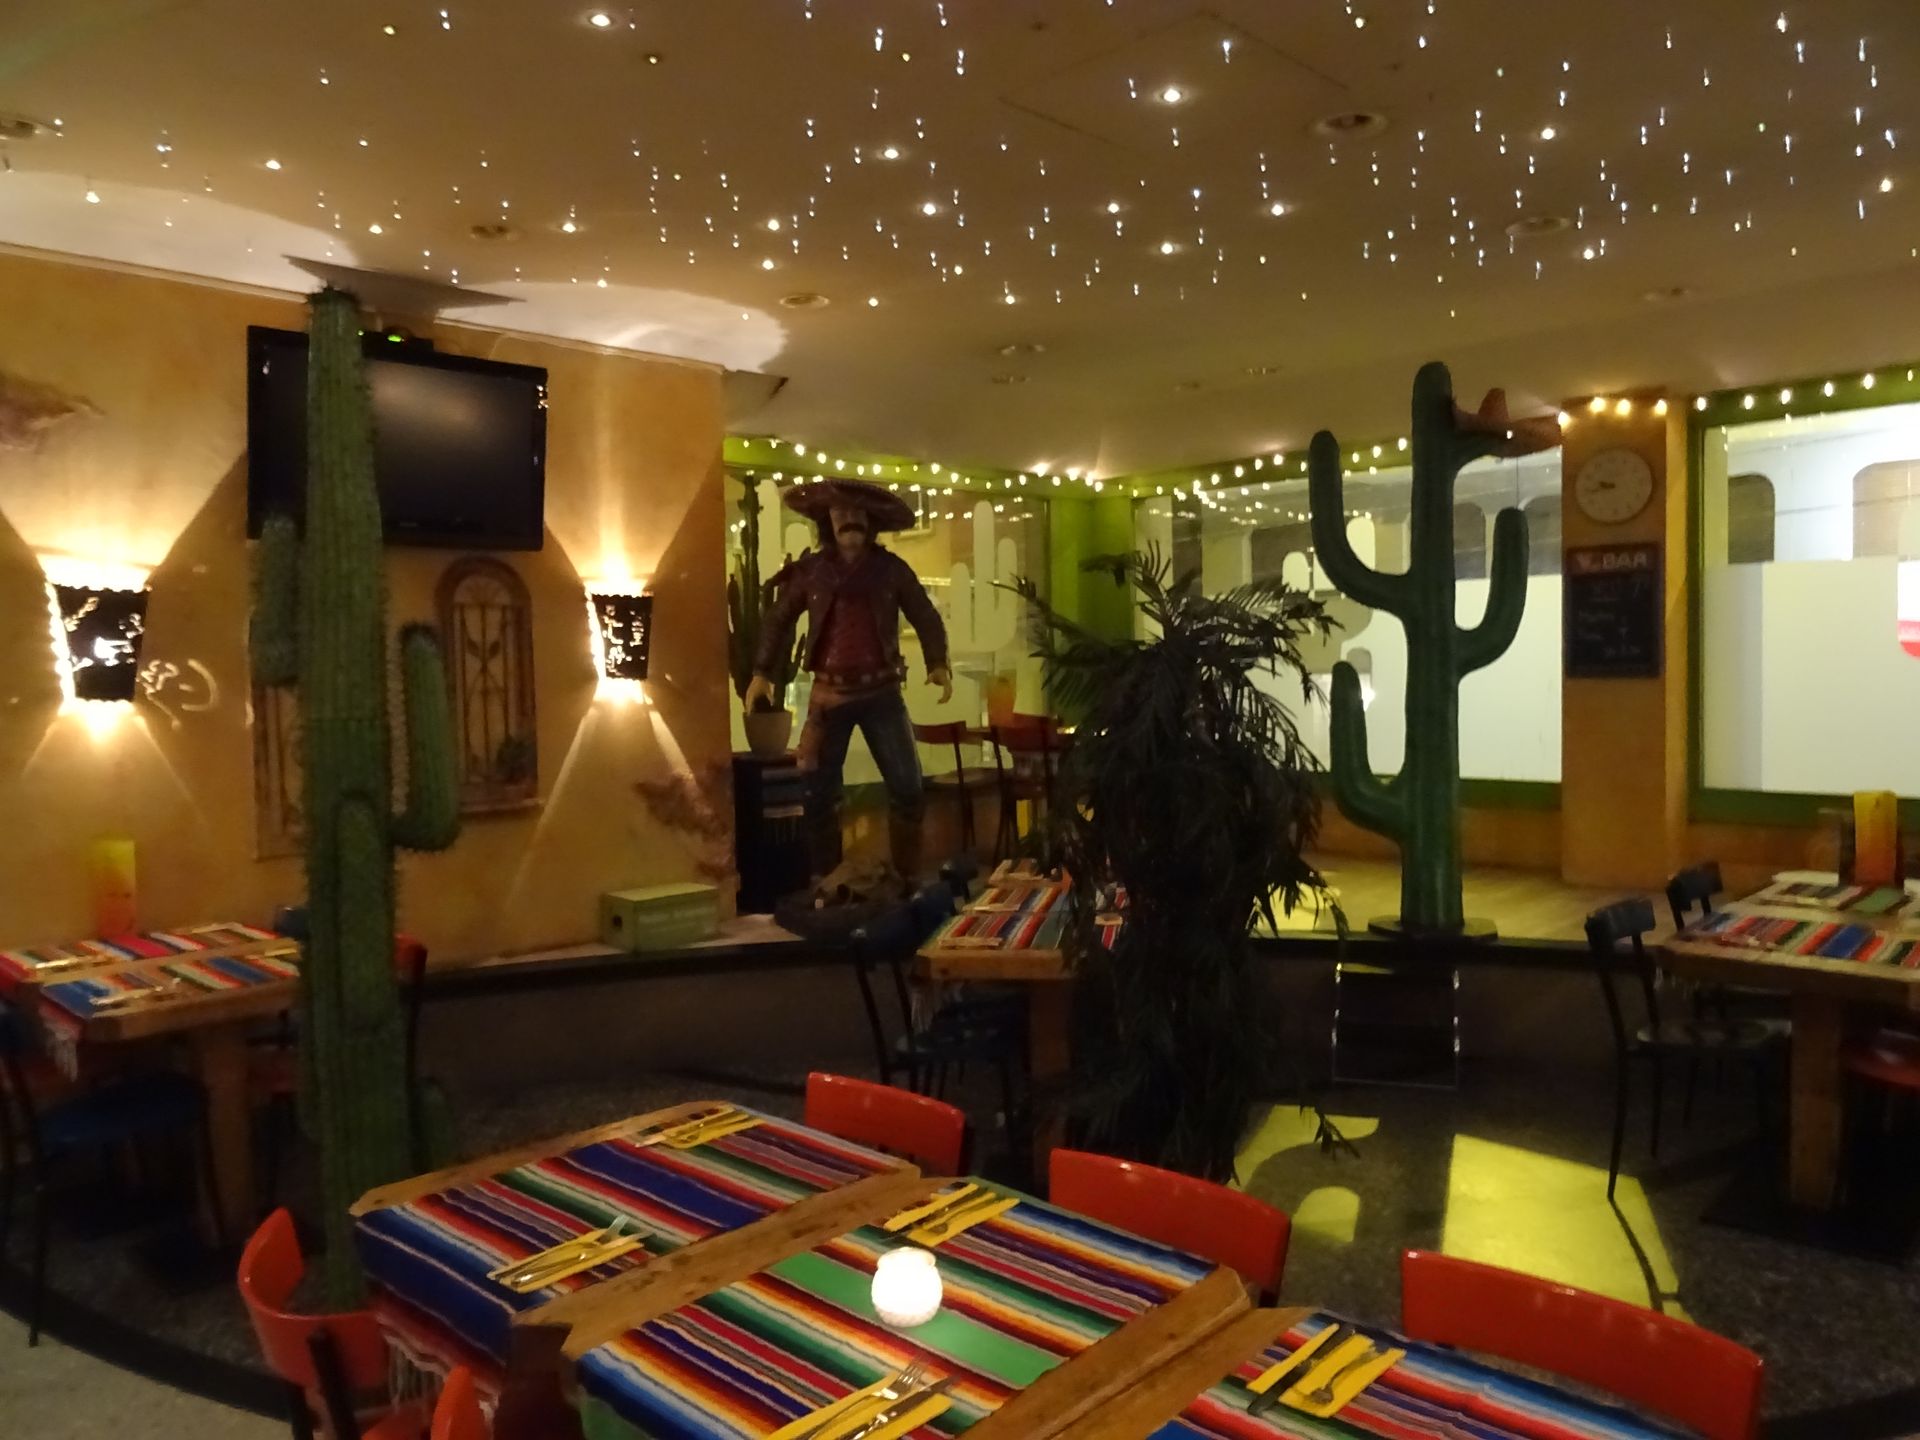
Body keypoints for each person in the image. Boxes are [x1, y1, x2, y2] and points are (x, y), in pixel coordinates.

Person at [745, 479, 952, 880]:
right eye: (840, 513)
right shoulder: (811, 573)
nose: (849, 520)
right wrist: (762, 673)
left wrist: (938, 662)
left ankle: (907, 880)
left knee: (908, 790)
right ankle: (827, 883)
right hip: (828, 697)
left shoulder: (891, 570)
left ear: (870, 520)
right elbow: (778, 618)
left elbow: (925, 615)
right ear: (828, 521)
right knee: (817, 795)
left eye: (857, 513)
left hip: (882, 694)